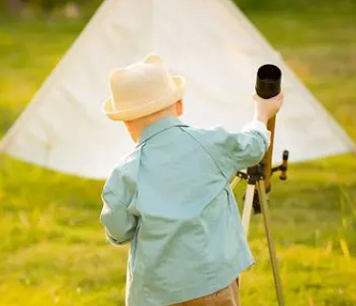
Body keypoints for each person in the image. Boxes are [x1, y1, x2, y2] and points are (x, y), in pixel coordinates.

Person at [100, 54, 283, 306]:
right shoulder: (209, 144)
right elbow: (252, 147)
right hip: (214, 284)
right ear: (179, 104)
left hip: (156, 294)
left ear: (126, 122)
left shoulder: (125, 173)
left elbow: (118, 231)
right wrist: (261, 113)